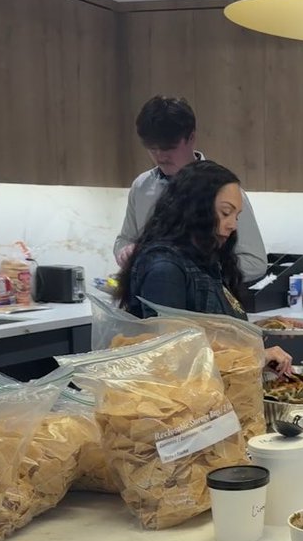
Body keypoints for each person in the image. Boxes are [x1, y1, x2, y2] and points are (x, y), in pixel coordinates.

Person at [114, 160, 291, 374]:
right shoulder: (164, 269)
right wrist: (256, 357)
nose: (233, 225)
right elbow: (173, 357)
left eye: (236, 216)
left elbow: (209, 329)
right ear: (195, 208)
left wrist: (261, 328)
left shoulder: (206, 261)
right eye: (225, 213)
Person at [114, 96, 268, 282]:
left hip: (202, 305)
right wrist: (125, 252)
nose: (160, 156)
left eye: (168, 147)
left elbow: (255, 263)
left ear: (192, 137)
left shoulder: (222, 189)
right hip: (149, 297)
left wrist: (192, 270)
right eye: (152, 149)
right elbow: (124, 239)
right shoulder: (142, 186)